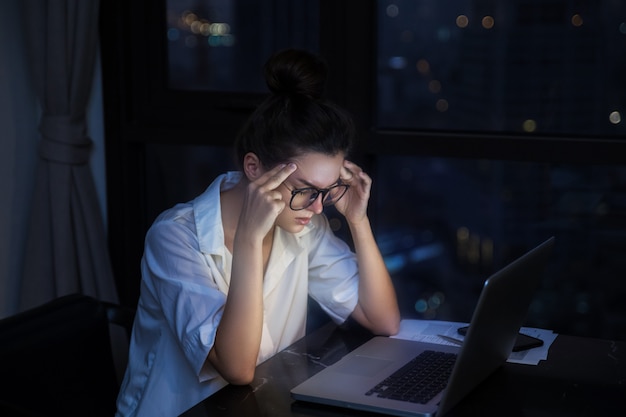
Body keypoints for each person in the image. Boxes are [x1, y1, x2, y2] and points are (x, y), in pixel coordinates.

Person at [115, 48, 400, 417]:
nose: (317, 208)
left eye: (327, 192)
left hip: (261, 407)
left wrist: (358, 222)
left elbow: (383, 320)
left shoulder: (302, 224)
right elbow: (236, 367)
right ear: (254, 167)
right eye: (304, 190)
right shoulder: (174, 237)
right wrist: (250, 239)